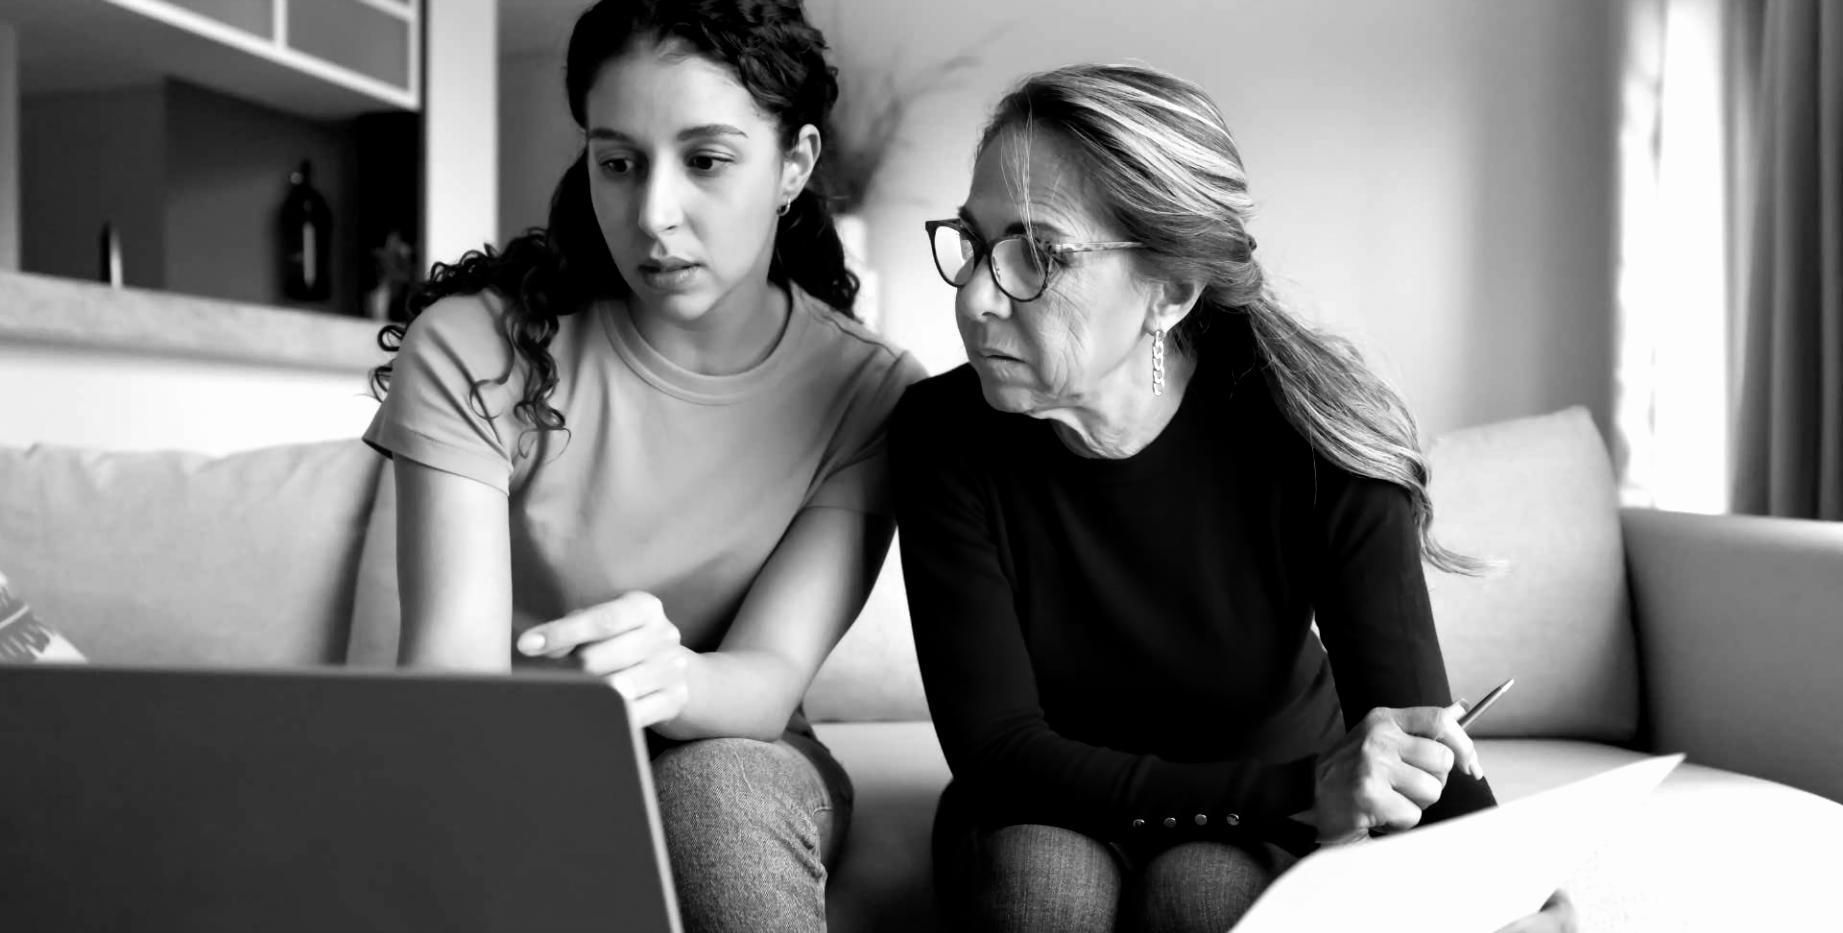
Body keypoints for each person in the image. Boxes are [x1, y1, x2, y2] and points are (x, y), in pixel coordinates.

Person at [891, 63, 1574, 933]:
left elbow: (1409, 735)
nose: (976, 295)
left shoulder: (1316, 429)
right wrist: (1302, 787)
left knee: (1202, 893)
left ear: (1170, 291)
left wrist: (1501, 892)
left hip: (1271, 820)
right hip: (1043, 803)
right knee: (1040, 881)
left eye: (1036, 254)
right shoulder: (939, 432)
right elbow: (998, 753)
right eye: (973, 240)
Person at [365, 2, 923, 930]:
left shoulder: (868, 393)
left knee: (712, 797)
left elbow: (768, 673)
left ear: (795, 165)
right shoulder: (473, 344)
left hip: (735, 749)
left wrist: (671, 676)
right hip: (502, 749)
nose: (653, 213)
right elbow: (450, 679)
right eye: (617, 162)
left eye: (706, 161)